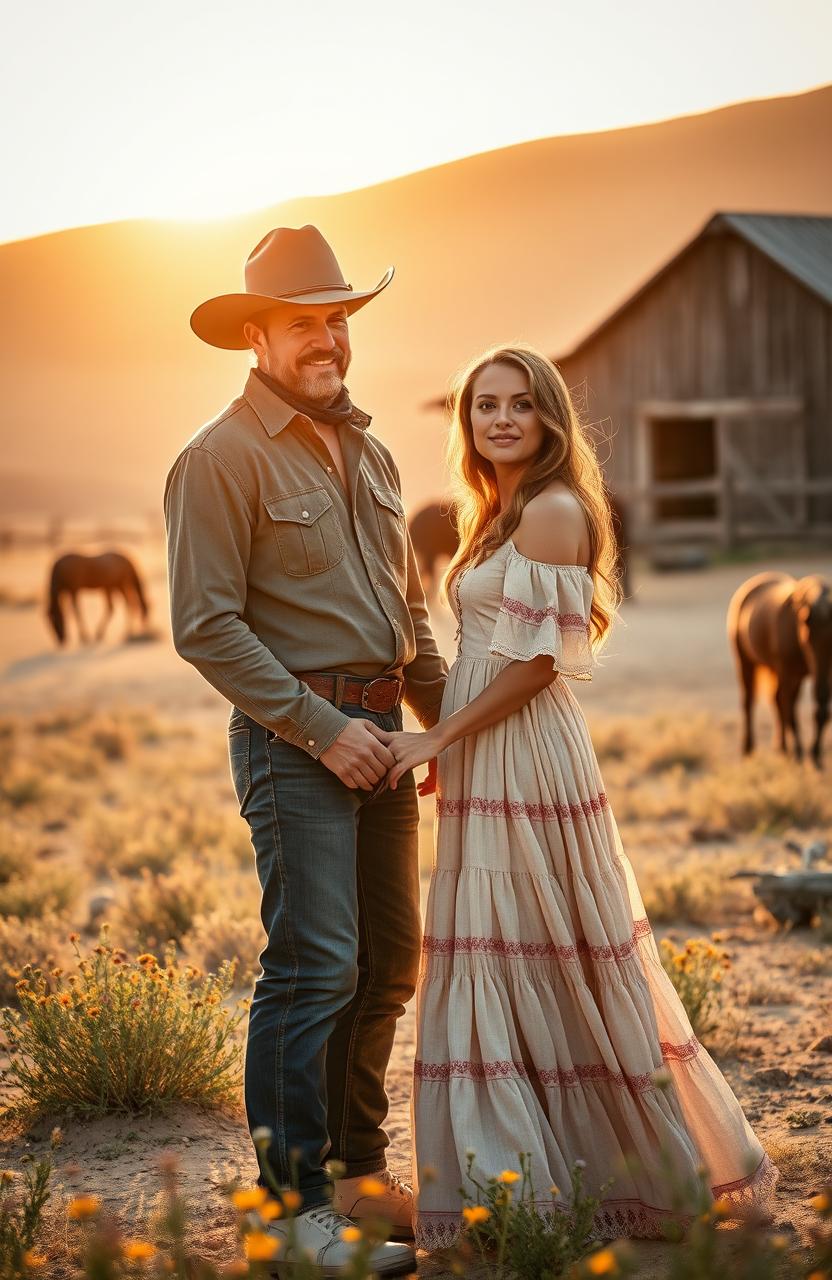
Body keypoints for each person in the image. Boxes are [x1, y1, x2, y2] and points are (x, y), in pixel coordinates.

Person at [383, 343, 781, 1249]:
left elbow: (532, 665)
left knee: (545, 946)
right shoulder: (496, 511)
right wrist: (457, 744)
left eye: (521, 404)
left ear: (551, 416)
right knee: (512, 943)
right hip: (489, 749)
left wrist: (436, 734)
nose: (501, 420)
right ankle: (522, 1178)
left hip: (522, 749)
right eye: (485, 405)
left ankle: (576, 1180)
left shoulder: (554, 509)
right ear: (467, 420)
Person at [163, 225, 448, 1275]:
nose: (326, 338)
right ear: (257, 335)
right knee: (313, 967)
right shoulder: (218, 456)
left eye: (337, 319)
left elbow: (408, 613)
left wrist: (450, 722)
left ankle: (354, 1181)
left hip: (390, 741)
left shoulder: (369, 450)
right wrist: (326, 732)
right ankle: (287, 1215)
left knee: (388, 966)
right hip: (300, 746)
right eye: (302, 322)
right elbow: (206, 623)